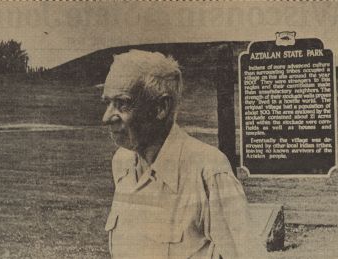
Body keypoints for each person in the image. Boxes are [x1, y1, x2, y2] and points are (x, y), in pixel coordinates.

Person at [101, 50, 265, 259]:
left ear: (161, 107)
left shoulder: (209, 170)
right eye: (106, 103)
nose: (106, 117)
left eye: (122, 103)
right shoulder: (122, 162)